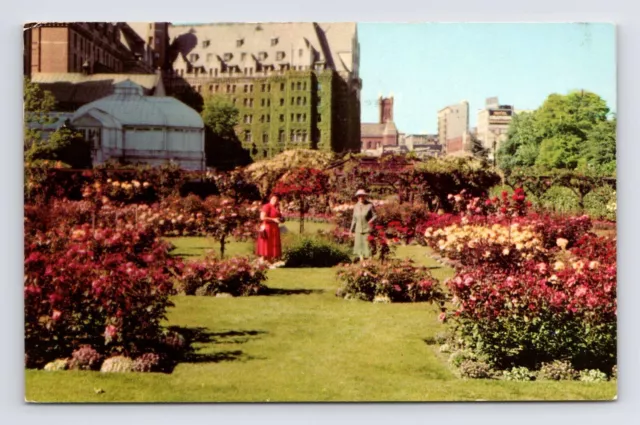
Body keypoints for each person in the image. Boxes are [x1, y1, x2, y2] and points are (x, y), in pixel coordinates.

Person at [349, 189, 377, 261]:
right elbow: (354, 219)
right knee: (359, 245)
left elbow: (375, 215)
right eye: (359, 196)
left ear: (365, 196)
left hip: (367, 228)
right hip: (358, 229)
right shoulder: (355, 206)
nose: (361, 198)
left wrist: (370, 221)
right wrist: (351, 230)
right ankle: (361, 261)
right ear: (357, 197)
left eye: (362, 196)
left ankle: (370, 260)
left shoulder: (369, 205)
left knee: (367, 245)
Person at [256, 194, 284, 261]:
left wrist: (281, 219)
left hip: (274, 228)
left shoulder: (277, 207)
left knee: (272, 245)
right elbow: (262, 217)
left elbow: (279, 217)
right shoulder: (267, 206)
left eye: (277, 199)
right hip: (267, 227)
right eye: (273, 199)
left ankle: (270, 260)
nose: (275, 200)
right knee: (266, 245)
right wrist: (273, 219)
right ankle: (263, 260)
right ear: (270, 199)